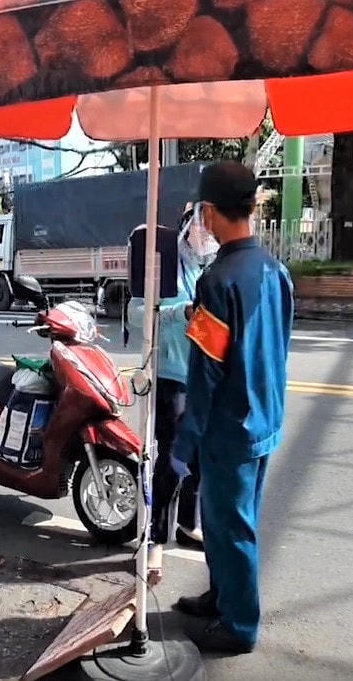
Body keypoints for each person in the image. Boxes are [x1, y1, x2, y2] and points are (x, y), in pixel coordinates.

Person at [172, 161, 294, 654]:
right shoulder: (274, 268)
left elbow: (205, 374)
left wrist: (184, 442)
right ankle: (222, 597)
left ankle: (239, 626)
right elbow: (274, 342)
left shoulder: (217, 281)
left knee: (229, 525)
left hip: (230, 428)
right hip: (265, 419)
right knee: (230, 522)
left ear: (208, 211)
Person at [128, 203, 217, 580]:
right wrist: (178, 313)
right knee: (172, 461)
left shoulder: (207, 269)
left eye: (211, 232)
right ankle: (155, 540)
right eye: (200, 230)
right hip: (170, 376)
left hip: (202, 376)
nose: (206, 237)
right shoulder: (162, 265)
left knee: (201, 460)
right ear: (185, 230)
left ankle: (187, 523)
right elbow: (136, 312)